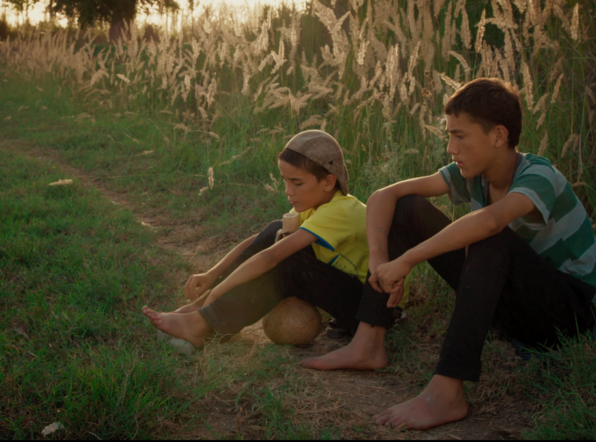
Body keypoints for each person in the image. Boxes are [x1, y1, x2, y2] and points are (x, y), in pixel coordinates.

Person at [302, 77, 596, 430]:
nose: (451, 148)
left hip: (571, 314)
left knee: (492, 236)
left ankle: (447, 393)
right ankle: (368, 341)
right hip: (514, 307)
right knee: (408, 206)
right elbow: (384, 195)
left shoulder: (540, 175)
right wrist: (381, 263)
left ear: (499, 136)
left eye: (460, 136)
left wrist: (408, 260)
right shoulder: (473, 175)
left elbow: (490, 222)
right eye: (449, 136)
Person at [142, 130, 409, 348]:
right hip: (347, 297)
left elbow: (271, 257)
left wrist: (208, 298)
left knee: (286, 264)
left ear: (328, 182)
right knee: (275, 230)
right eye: (285, 181)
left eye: (297, 183)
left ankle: (202, 321)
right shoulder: (316, 205)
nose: (288, 191)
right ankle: (204, 322)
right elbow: (262, 240)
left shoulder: (341, 210)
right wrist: (213, 274)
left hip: (371, 311)